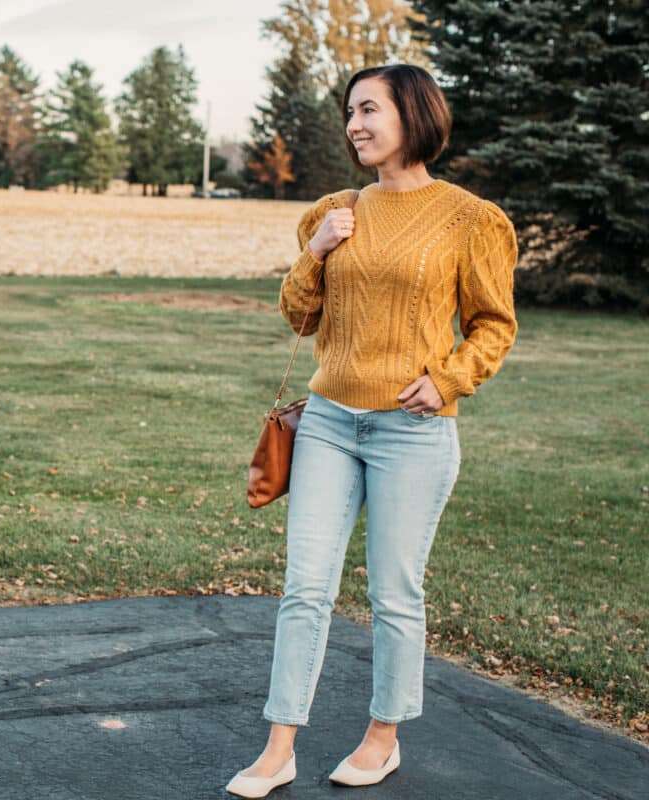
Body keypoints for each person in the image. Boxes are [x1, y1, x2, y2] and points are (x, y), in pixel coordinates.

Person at [225, 63, 519, 798]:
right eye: (350, 112)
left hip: (411, 433)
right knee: (305, 588)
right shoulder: (334, 210)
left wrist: (448, 378)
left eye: (369, 110)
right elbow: (300, 316)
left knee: (394, 592)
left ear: (413, 115)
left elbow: (493, 325)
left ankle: (382, 737)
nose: (355, 124)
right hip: (328, 421)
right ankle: (279, 747)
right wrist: (317, 248)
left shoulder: (468, 218)